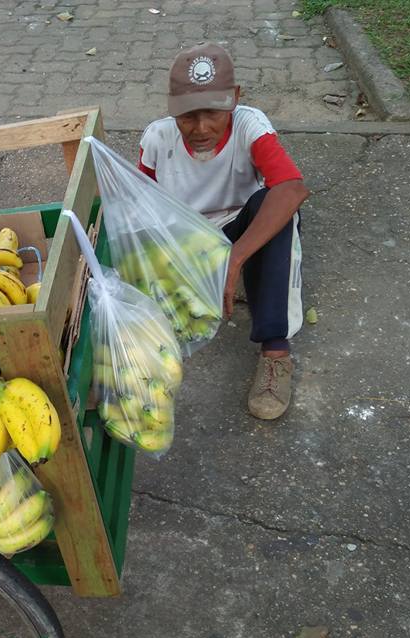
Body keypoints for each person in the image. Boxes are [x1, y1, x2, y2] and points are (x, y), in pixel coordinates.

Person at [137, 41, 310, 420]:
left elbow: (293, 188)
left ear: (234, 98)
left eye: (213, 113)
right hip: (187, 236)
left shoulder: (251, 126)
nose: (200, 128)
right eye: (186, 116)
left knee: (276, 209)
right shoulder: (157, 138)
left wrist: (236, 258)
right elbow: (141, 203)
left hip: (240, 226)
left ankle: (275, 352)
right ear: (171, 110)